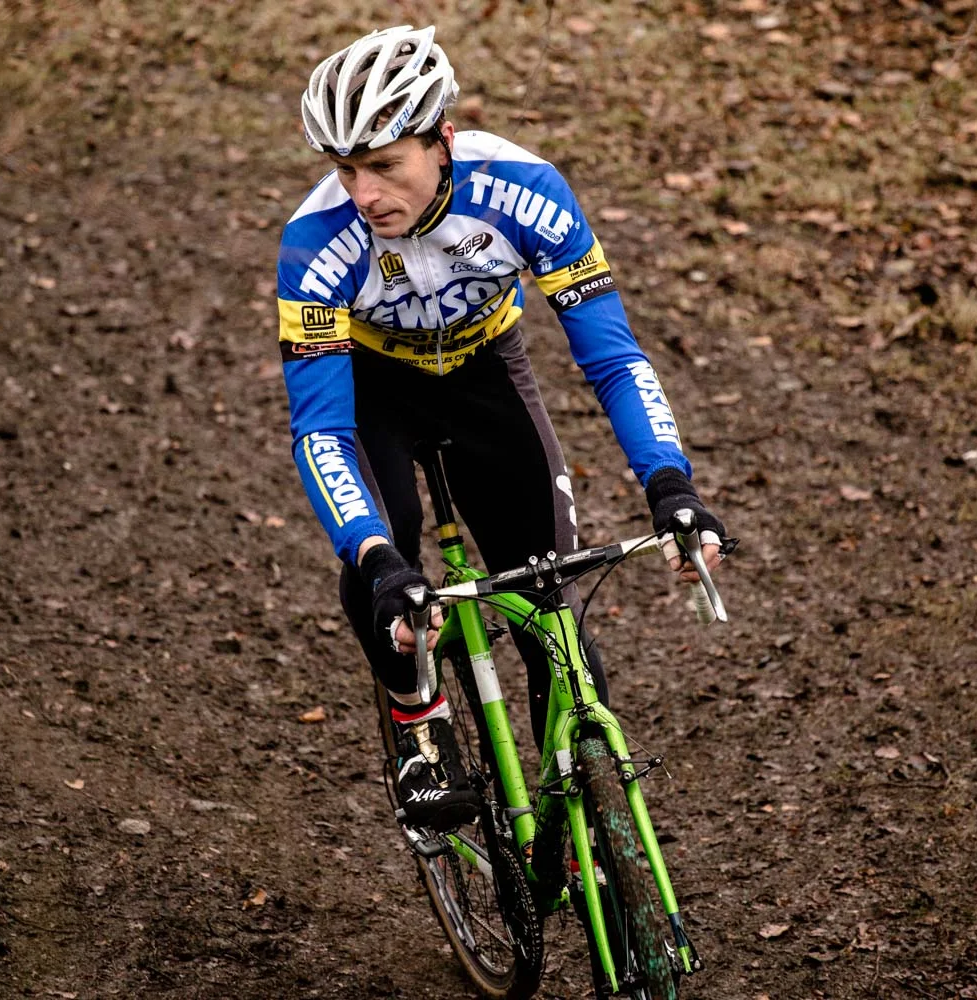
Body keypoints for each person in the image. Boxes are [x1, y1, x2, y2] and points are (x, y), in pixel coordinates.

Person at [276, 25, 725, 831]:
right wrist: (379, 558)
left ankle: (581, 816)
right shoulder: (315, 244)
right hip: (375, 389)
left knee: (550, 601)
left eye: (383, 166)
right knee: (390, 558)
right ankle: (421, 727)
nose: (363, 193)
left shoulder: (524, 188)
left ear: (441, 142)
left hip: (487, 373)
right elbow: (321, 432)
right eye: (344, 169)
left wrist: (670, 482)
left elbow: (615, 361)